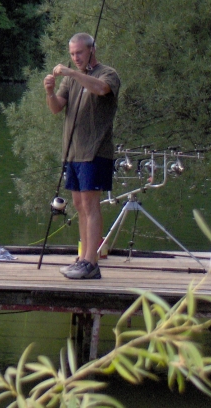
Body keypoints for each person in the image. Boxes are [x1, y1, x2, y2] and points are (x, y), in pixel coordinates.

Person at [44, 33, 120, 280]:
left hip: (95, 151)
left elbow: (100, 89)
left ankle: (91, 261)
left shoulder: (107, 74)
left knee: (91, 204)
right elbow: (57, 108)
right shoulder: (71, 80)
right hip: (73, 152)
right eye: (72, 54)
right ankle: (83, 258)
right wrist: (50, 92)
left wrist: (72, 72)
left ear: (91, 50)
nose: (75, 58)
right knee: (78, 205)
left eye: (79, 53)